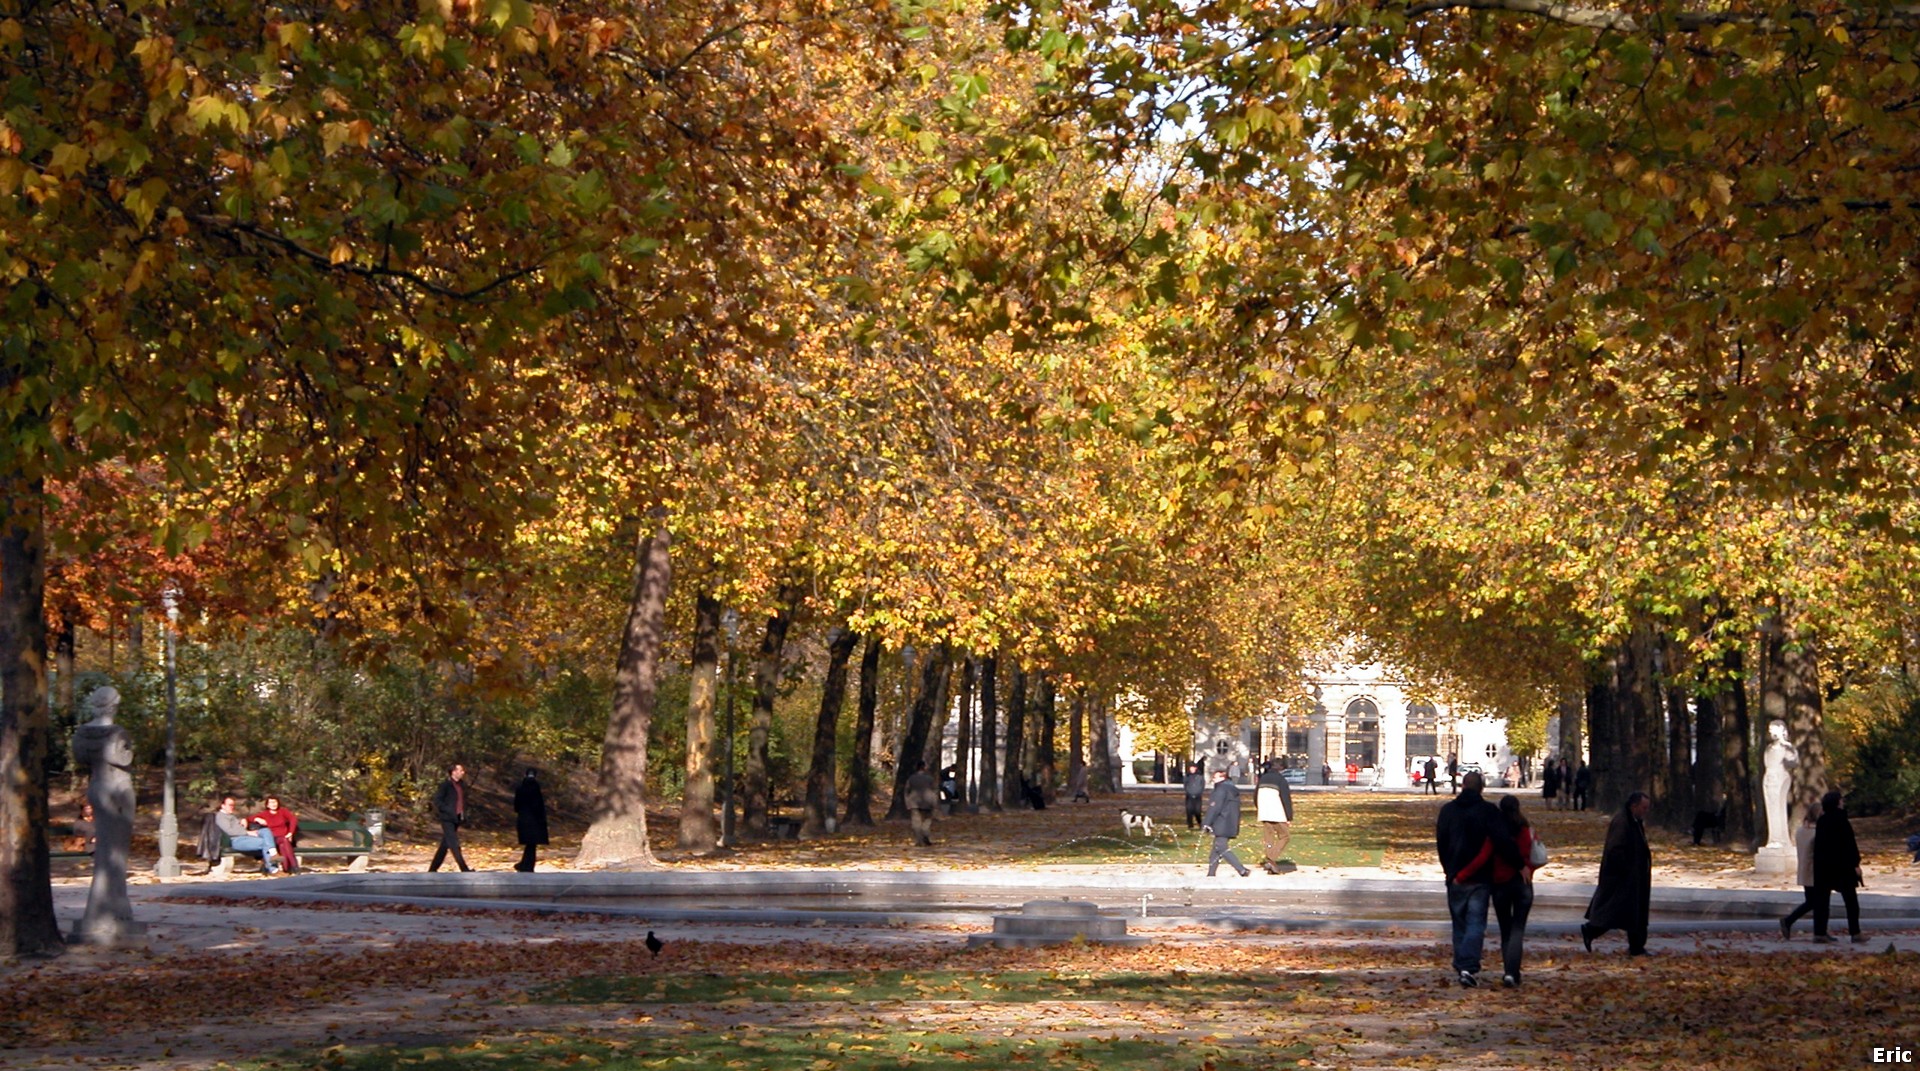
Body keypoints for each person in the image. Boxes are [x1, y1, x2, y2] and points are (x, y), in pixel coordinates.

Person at [1435, 770, 1518, 986]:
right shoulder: (1488, 811)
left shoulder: (1447, 811)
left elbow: (1441, 843)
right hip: (1480, 876)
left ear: (1463, 785)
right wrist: (1519, 864)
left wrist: (1448, 870)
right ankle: (1467, 965)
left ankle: (1462, 963)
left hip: (1455, 873)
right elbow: (1502, 841)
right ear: (1481, 788)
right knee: (1475, 922)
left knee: (1459, 922)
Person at [1581, 792, 1653, 955]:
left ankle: (1636, 946)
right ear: (1634, 806)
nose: (1646, 811)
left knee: (1632, 912)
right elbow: (1615, 850)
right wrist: (1626, 869)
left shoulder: (1634, 821)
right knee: (1617, 911)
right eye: (1644, 807)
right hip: (1624, 876)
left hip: (1633, 875)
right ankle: (1592, 930)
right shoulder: (1623, 822)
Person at [1489, 795, 1539, 988]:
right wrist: (1527, 870)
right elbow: (1534, 856)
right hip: (1522, 883)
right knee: (1518, 928)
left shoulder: (1496, 831)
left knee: (1505, 929)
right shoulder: (1526, 830)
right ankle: (1512, 972)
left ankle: (1509, 970)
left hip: (1501, 882)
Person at [1812, 789, 1865, 944]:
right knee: (1851, 901)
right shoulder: (1842, 820)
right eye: (1841, 800)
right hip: (1843, 866)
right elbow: (1849, 844)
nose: (1843, 802)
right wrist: (1855, 863)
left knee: (1822, 901)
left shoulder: (1822, 821)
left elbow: (1819, 845)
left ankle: (1819, 932)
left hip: (1823, 866)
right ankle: (1855, 932)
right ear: (1837, 803)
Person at [1780, 801, 1821, 938]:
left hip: (1804, 869)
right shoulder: (1817, 832)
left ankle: (1790, 921)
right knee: (1817, 902)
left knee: (1812, 902)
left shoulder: (1801, 830)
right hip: (1815, 871)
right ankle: (1790, 921)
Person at [212, 795, 282, 873]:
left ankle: (273, 854)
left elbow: (237, 825)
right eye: (230, 805)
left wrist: (243, 820)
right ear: (223, 806)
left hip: (246, 838)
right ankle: (273, 869)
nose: (232, 807)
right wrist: (247, 832)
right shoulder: (221, 817)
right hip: (237, 840)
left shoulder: (230, 816)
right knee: (265, 843)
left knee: (266, 831)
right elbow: (230, 831)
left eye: (233, 805)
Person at [1202, 766, 1250, 877]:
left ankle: (1242, 870)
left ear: (1222, 777)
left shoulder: (1221, 790)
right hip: (1230, 822)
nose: (1213, 779)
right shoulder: (1231, 788)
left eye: (1214, 777)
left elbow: (1215, 808)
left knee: (1221, 848)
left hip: (1222, 822)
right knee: (1216, 850)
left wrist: (1206, 823)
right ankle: (1211, 874)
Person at [1760, 719, 1799, 850]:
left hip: (1780, 776)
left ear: (1782, 730)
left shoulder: (1787, 747)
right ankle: (1773, 838)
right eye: (1770, 729)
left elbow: (1793, 762)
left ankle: (1781, 839)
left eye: (1773, 728)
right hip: (1769, 777)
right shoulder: (1769, 748)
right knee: (1770, 809)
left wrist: (1785, 747)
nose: (1770, 731)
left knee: (1778, 807)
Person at [430, 763, 474, 872]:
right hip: (447, 818)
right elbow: (437, 800)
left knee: (445, 845)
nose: (463, 772)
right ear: (453, 772)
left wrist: (464, 814)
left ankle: (432, 869)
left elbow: (463, 801)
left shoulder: (462, 785)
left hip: (457, 818)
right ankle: (464, 868)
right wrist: (447, 809)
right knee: (454, 844)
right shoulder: (446, 785)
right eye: (460, 770)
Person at [1255, 759, 1296, 873]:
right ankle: (1271, 859)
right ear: (1282, 768)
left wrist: (1260, 808)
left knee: (1269, 838)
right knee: (1285, 836)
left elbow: (1255, 795)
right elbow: (1286, 799)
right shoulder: (1281, 779)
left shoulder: (1263, 778)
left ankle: (1270, 859)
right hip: (1277, 812)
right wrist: (1289, 817)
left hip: (1264, 811)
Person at [246, 794, 300, 874]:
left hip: (284, 838)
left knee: (283, 844)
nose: (273, 804)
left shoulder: (283, 811)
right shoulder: (264, 814)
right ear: (267, 805)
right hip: (272, 839)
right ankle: (294, 867)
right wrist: (257, 818)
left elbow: (293, 819)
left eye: (275, 802)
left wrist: (290, 833)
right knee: (284, 842)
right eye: (271, 803)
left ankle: (287, 868)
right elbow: (249, 819)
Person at [513, 768, 549, 873]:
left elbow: (516, 806)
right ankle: (527, 865)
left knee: (529, 844)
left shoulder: (520, 787)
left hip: (523, 818)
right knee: (532, 845)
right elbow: (539, 805)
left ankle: (525, 864)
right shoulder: (536, 787)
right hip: (535, 820)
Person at [904, 760, 939, 846]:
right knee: (927, 820)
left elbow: (906, 790)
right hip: (928, 802)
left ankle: (919, 841)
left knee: (916, 822)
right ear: (924, 767)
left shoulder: (911, 778)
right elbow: (935, 790)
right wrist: (935, 802)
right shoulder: (929, 779)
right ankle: (925, 833)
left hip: (914, 802)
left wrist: (907, 801)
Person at [1183, 761, 1207, 830]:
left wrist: (1199, 792)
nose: (1191, 769)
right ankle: (1190, 825)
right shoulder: (1187, 776)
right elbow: (1185, 785)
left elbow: (1202, 785)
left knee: (1197, 811)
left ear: (1195, 768)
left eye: (1193, 768)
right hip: (1189, 795)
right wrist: (1188, 792)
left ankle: (1200, 823)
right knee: (1189, 811)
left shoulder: (1199, 776)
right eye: (1191, 768)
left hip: (1198, 796)